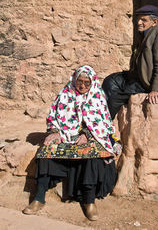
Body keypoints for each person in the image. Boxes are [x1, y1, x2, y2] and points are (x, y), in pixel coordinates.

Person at [23, 65, 121, 221]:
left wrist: (87, 134)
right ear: (74, 80)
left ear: (92, 82)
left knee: (92, 154)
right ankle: (39, 197)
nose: (82, 86)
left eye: (86, 82)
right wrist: (54, 132)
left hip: (89, 137)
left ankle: (89, 202)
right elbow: (53, 115)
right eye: (79, 81)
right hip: (64, 135)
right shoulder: (65, 93)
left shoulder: (97, 96)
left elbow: (103, 123)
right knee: (45, 150)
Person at [102, 5, 158, 120]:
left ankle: (105, 122)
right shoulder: (145, 33)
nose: (139, 22)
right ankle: (103, 114)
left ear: (154, 22)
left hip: (148, 82)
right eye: (138, 19)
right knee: (111, 80)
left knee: (116, 97)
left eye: (144, 20)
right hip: (139, 78)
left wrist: (156, 89)